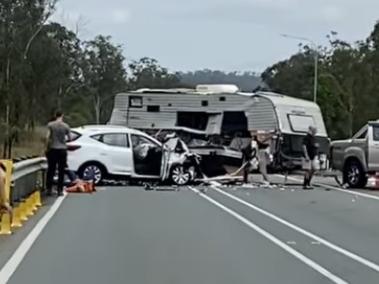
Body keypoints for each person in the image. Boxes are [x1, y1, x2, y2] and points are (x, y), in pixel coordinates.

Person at [45, 111, 71, 196]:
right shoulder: (66, 126)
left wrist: (47, 147)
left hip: (53, 149)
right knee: (61, 170)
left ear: (55, 116)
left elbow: (47, 137)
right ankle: (60, 190)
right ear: (62, 116)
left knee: (51, 170)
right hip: (62, 150)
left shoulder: (51, 125)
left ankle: (49, 189)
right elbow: (70, 138)